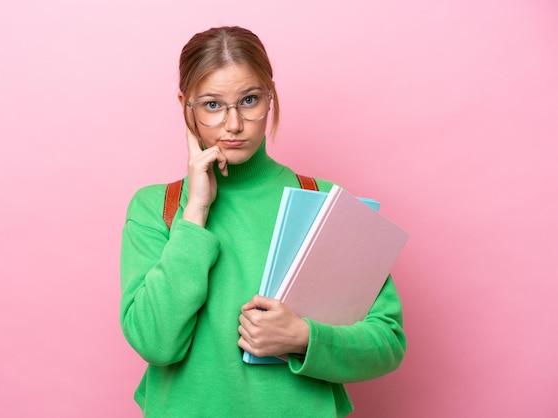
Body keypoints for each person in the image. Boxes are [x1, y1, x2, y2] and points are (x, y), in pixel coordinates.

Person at [120, 26, 406, 417]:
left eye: (249, 100)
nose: (233, 125)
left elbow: (386, 342)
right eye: (212, 105)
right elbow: (155, 342)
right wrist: (195, 213)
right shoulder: (159, 206)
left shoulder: (323, 201)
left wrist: (304, 337)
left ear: (270, 96)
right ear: (186, 105)